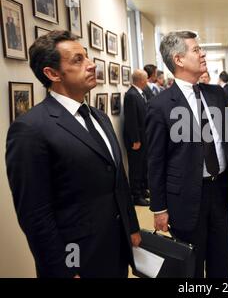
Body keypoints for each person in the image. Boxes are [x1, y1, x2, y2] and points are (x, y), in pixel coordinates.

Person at [5, 30, 141, 278]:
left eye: (87, 57)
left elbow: (117, 179)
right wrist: (62, 269)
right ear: (52, 73)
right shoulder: (30, 129)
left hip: (115, 248)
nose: (91, 65)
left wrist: (131, 227)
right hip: (77, 257)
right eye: (78, 60)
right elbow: (35, 214)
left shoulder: (100, 117)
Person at [146, 31, 228, 278]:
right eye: (196, 50)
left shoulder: (216, 95)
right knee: (191, 268)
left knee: (221, 263)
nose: (202, 53)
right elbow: (156, 161)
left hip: (221, 193)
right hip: (185, 197)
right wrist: (159, 208)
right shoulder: (159, 106)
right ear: (179, 59)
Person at [123, 69, 151, 206]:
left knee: (143, 165)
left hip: (143, 136)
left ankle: (142, 189)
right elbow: (131, 120)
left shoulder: (140, 93)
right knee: (136, 167)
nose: (147, 81)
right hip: (136, 139)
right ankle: (136, 195)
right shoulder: (131, 95)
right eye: (146, 79)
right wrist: (135, 140)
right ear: (140, 80)